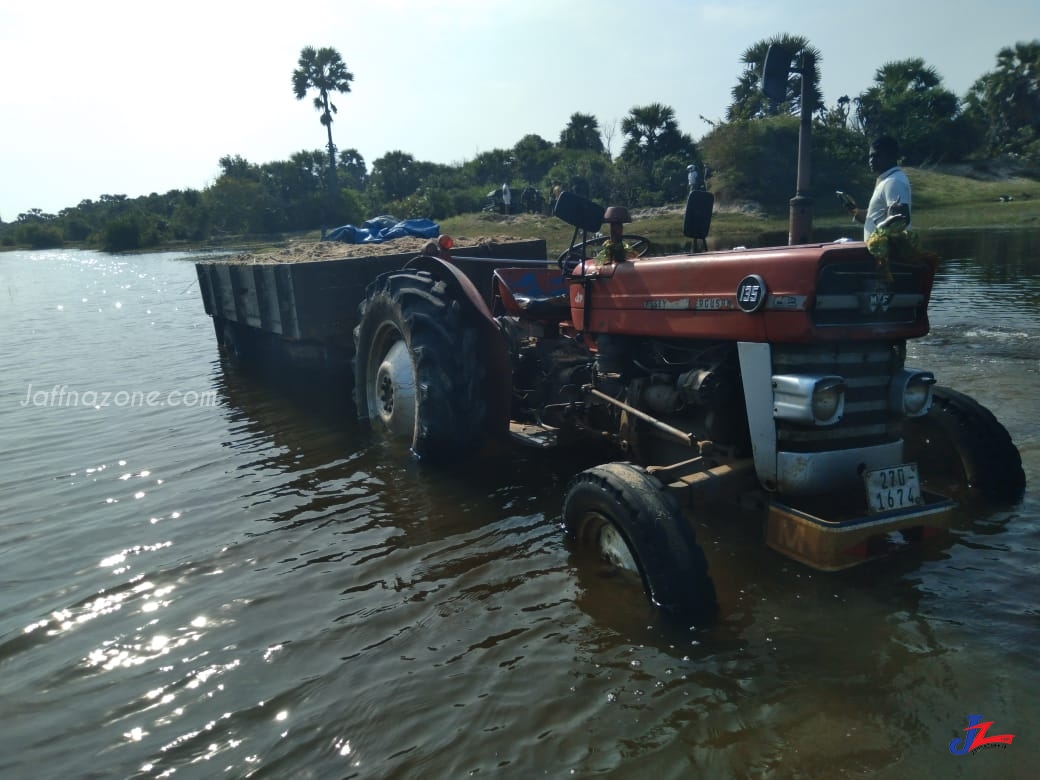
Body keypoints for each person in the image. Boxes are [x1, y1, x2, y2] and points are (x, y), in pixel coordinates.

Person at [845, 135, 911, 240]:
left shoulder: (894, 181)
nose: (871, 160)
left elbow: (900, 221)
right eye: (870, 156)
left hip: (887, 254)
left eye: (876, 156)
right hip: (878, 252)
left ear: (891, 156)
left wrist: (881, 228)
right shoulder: (885, 181)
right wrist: (854, 211)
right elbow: (871, 218)